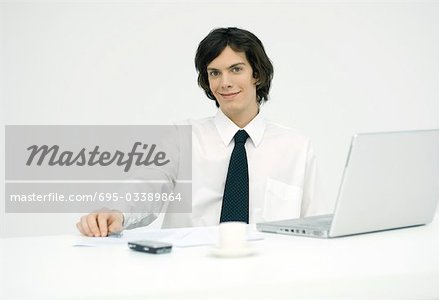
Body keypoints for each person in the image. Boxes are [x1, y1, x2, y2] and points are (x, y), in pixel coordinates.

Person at [76, 27, 321, 237]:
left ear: (256, 74)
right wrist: (117, 211)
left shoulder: (297, 147)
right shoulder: (181, 137)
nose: (224, 82)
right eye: (215, 73)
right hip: (190, 276)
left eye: (236, 69)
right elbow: (147, 184)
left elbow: (314, 227)